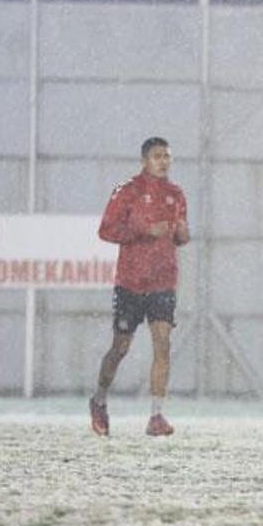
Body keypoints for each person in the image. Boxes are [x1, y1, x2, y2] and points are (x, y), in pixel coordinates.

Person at [88, 137, 190, 437]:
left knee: (163, 344)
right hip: (131, 282)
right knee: (121, 347)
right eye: (157, 156)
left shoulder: (176, 194)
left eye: (167, 156)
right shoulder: (128, 191)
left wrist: (183, 234)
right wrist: (143, 230)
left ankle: (156, 415)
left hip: (163, 281)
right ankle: (99, 400)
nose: (163, 161)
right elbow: (106, 230)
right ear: (145, 160)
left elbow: (180, 235)